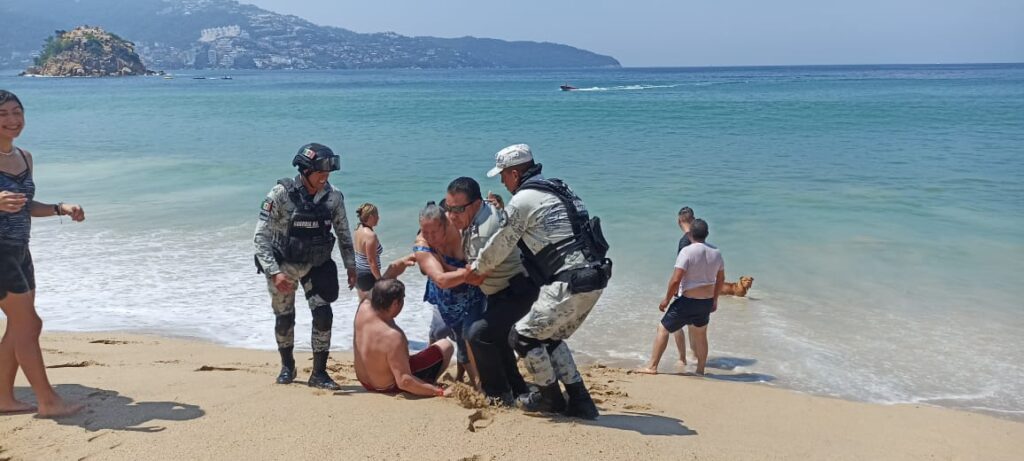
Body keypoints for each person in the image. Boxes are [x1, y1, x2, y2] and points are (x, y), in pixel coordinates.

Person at [466, 144, 612, 419]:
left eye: (503, 175)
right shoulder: (558, 188)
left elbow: (501, 242)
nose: (501, 181)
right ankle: (580, 400)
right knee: (550, 337)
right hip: (594, 276)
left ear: (515, 172)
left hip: (570, 280)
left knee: (521, 337)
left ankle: (551, 399)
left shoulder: (523, 200)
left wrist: (478, 268)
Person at [0, 90, 86, 417]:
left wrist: (59, 208)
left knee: (20, 325)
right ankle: (48, 402)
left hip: (20, 250)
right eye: (3, 114)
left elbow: (25, 206)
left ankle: (3, 398)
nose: (13, 120)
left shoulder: (24, 157)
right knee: (29, 323)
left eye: (17, 112)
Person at [254, 143, 356, 390]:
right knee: (284, 320)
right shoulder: (280, 195)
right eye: (321, 171)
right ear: (305, 170)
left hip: (316, 263)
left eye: (328, 171)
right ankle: (287, 367)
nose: (326, 176)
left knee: (323, 315)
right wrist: (274, 272)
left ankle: (319, 373)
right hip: (283, 265)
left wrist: (351, 267)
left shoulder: (333, 197)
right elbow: (260, 237)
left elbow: (343, 233)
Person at [443, 177, 539, 406]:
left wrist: (459, 273)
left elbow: (476, 278)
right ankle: (516, 389)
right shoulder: (481, 213)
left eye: (458, 209)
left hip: (517, 291)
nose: (452, 215)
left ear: (476, 205)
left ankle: (497, 395)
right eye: (448, 208)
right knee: (496, 338)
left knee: (477, 334)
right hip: (502, 291)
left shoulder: (485, 231)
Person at [636, 218, 724, 376]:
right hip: (706, 302)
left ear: (690, 234)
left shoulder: (687, 251)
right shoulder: (716, 252)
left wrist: (666, 299)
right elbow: (721, 279)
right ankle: (700, 370)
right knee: (701, 334)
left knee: (662, 328)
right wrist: (715, 299)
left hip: (688, 301)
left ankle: (652, 367)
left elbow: (676, 279)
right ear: (707, 234)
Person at [413, 202, 482, 388]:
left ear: (445, 223)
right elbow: (440, 279)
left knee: (470, 336)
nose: (428, 237)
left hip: (472, 292)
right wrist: (467, 273)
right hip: (446, 295)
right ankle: (476, 385)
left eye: (433, 232)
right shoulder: (422, 243)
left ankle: (477, 383)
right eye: (424, 232)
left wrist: (452, 268)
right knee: (443, 333)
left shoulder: (464, 233)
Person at [354, 278, 454, 396]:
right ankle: (428, 384)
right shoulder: (393, 336)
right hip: (388, 386)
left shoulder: (363, 308)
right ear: (396, 303)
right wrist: (439, 392)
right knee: (446, 345)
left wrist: (396, 267)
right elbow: (404, 381)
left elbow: (375, 290)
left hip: (366, 382)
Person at [673, 206, 695, 367]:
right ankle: (694, 355)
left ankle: (682, 358)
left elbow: (681, 269)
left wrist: (673, 289)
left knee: (674, 324)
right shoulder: (699, 238)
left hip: (685, 288)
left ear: (679, 221)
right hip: (699, 287)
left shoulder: (684, 241)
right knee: (694, 324)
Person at [354, 203, 382, 302]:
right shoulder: (370, 235)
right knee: (374, 308)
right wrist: (380, 280)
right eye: (377, 216)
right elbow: (371, 262)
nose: (379, 218)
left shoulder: (358, 229)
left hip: (358, 273)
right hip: (368, 276)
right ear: (370, 217)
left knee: (362, 305)